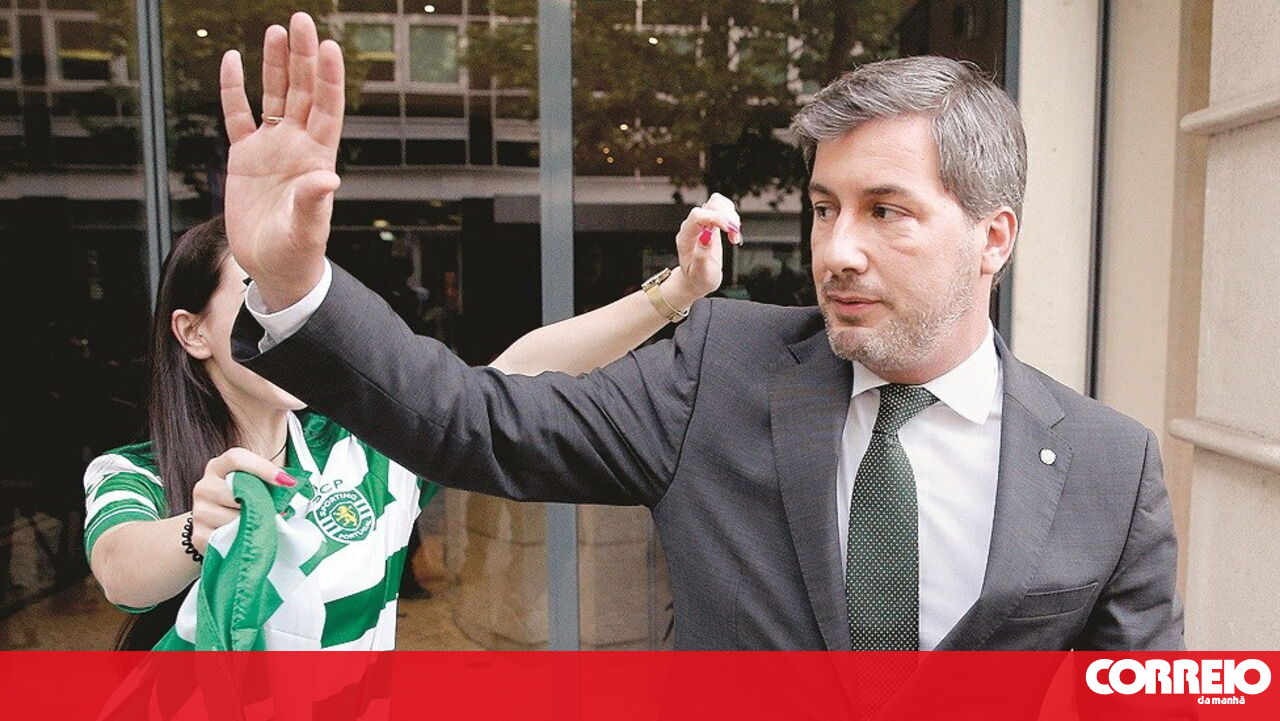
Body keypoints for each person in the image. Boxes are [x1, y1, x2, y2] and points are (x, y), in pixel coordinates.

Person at [221, 13, 1183, 651]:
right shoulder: (718, 370)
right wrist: (296, 281)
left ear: (993, 238)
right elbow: (473, 421)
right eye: (823, 208)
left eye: (886, 210)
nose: (837, 250)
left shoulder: (1111, 466)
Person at [84, 206, 729, 650]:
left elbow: (517, 372)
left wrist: (675, 293)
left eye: (290, 297)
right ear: (193, 332)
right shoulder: (134, 471)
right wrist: (198, 530)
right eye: (257, 291)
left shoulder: (364, 448)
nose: (279, 317)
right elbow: (121, 570)